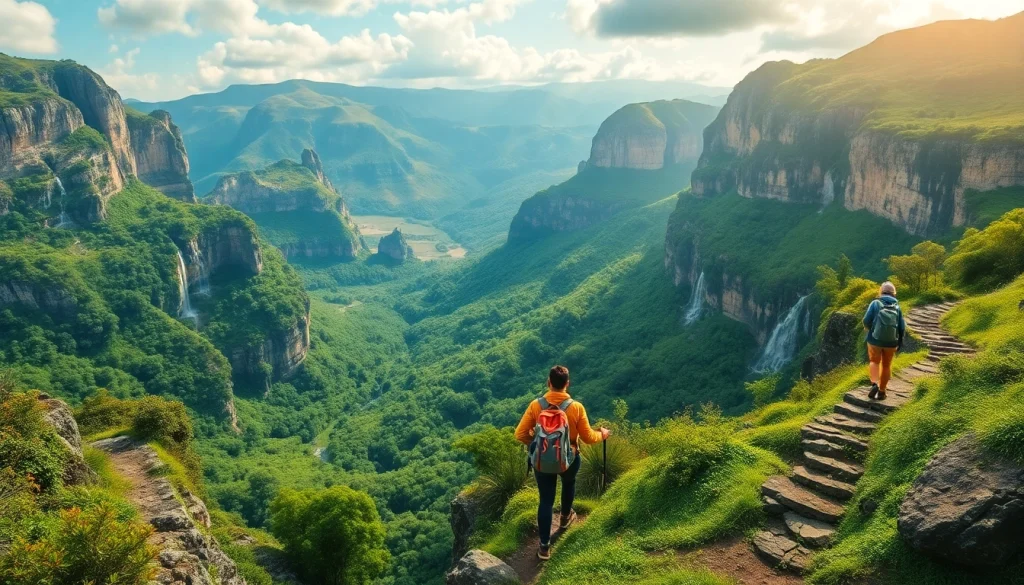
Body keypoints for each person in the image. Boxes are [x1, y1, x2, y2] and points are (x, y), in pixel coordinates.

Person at [515, 365, 610, 561]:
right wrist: (603, 434)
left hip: (542, 461)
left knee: (546, 501)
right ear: (567, 384)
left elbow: (520, 434)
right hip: (569, 457)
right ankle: (565, 519)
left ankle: (544, 548)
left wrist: (537, 445)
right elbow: (589, 437)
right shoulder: (575, 407)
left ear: (548, 383)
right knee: (568, 484)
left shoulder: (536, 405)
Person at [862, 281, 906, 400]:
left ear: (881, 291)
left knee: (874, 362)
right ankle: (882, 391)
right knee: (886, 365)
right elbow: (902, 326)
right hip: (891, 342)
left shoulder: (875, 303)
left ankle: (875, 384)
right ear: (894, 294)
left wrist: (872, 329)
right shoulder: (897, 306)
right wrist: (900, 341)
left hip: (874, 340)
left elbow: (866, 320)